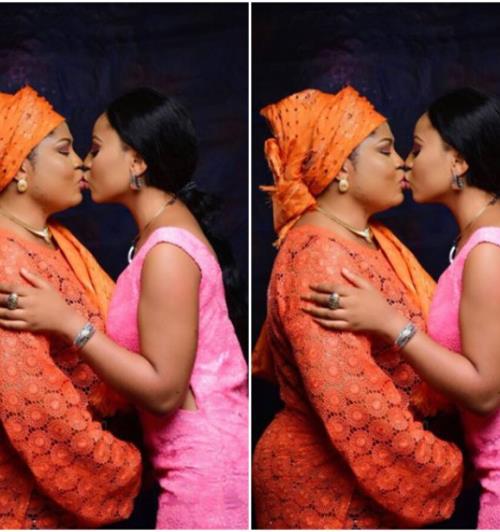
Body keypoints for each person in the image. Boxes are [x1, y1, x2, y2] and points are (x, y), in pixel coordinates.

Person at [0, 88, 248, 529]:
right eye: (71, 150)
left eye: (94, 149)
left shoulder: (167, 248)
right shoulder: (155, 236)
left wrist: (68, 323)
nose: (84, 163)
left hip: (205, 466)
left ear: (136, 162)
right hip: (180, 460)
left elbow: (165, 391)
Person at [252, 86, 463, 529]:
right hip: (327, 491)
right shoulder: (319, 256)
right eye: (385, 150)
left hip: (358, 481)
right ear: (342, 166)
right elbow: (351, 401)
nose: (401, 162)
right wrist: (444, 465)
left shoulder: (366, 238)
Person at [303, 87, 500, 529]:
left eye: (416, 148)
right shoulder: (479, 238)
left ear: (458, 161)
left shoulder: (489, 249)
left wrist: (390, 323)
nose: (406, 163)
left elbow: (486, 391)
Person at [0, 85, 141, 529]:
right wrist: (122, 466)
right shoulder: (5, 257)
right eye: (64, 150)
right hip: (28, 500)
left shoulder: (54, 240)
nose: (80, 161)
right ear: (21, 165)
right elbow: (29, 400)